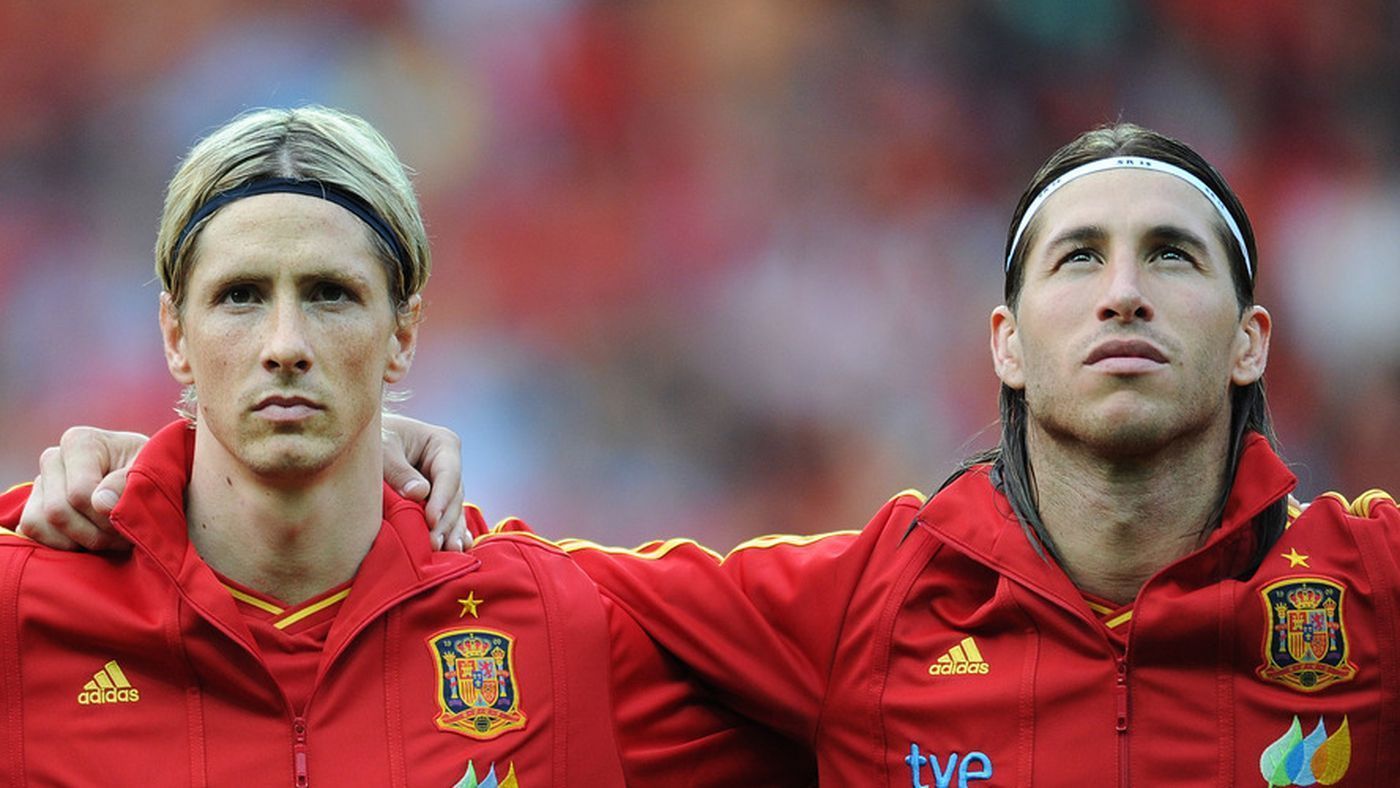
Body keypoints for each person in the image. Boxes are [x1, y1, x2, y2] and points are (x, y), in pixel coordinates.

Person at [22, 123, 1398, 785]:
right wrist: (143, 477)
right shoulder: (858, 612)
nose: (1123, 295)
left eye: (1173, 258)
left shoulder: (1376, 592)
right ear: (1003, 342)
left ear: (1255, 340)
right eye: (1079, 260)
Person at [0, 105, 812, 786]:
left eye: (331, 295)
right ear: (176, 335)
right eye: (241, 296)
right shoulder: (28, 614)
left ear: (403, 333)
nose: (285, 342)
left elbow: (891, 613)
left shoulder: (560, 626)